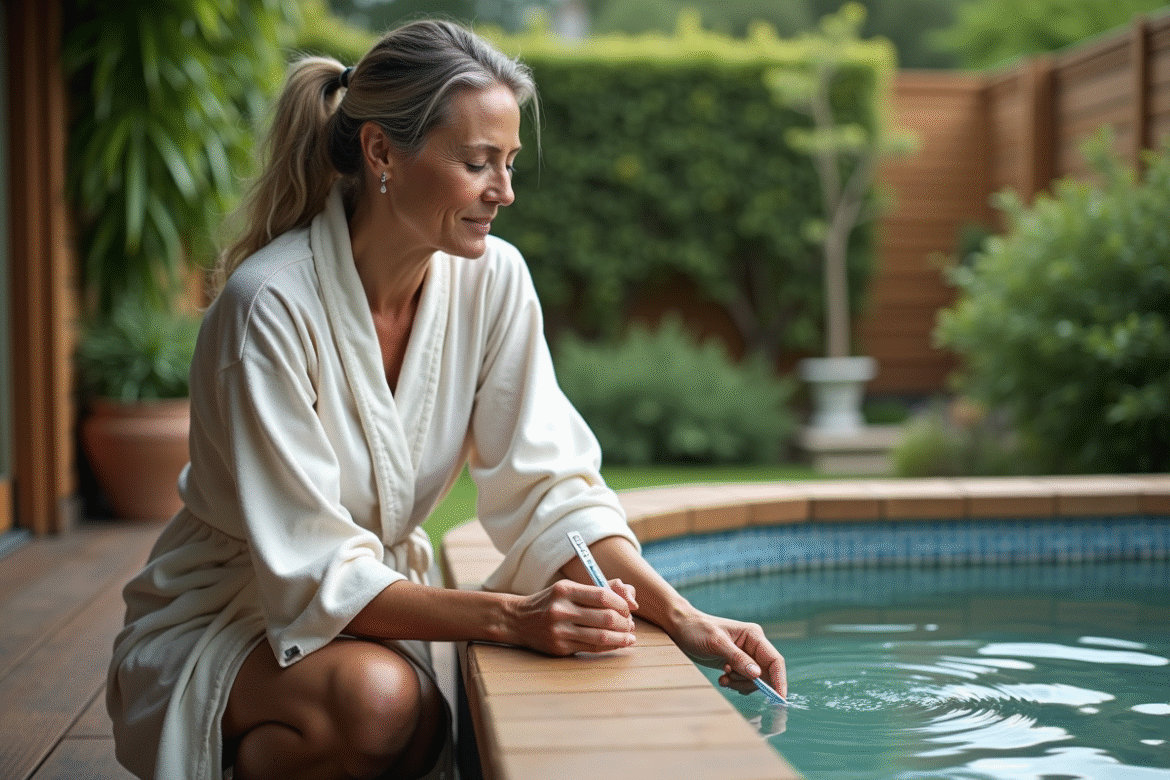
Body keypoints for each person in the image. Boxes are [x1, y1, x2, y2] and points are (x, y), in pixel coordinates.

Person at [106, 19, 786, 780]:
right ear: (382, 153)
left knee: (414, 716)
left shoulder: (494, 281)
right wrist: (511, 619)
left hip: (373, 613)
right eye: (477, 163)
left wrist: (685, 619)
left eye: (509, 162)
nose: (505, 191)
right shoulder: (269, 307)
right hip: (229, 614)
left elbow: (552, 493)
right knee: (381, 704)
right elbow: (310, 569)